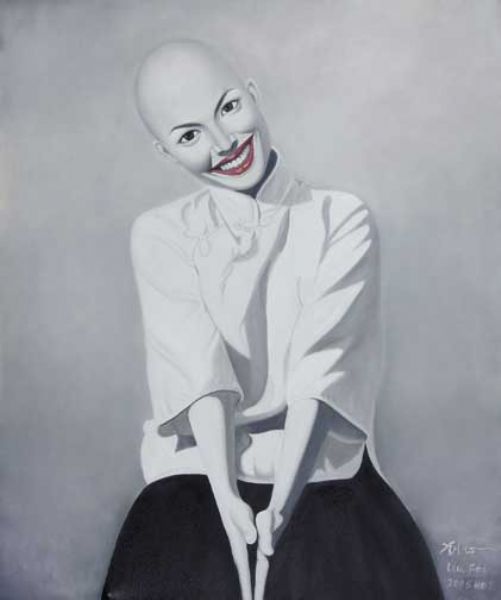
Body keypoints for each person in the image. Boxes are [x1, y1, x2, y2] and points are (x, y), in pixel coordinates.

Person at [102, 40, 444, 600]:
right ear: (165, 152)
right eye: (189, 136)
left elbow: (321, 374)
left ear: (253, 95)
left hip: (322, 474)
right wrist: (228, 505)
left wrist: (279, 513)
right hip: (199, 476)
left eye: (228, 108)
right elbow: (200, 376)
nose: (223, 143)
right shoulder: (160, 234)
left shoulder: (342, 218)